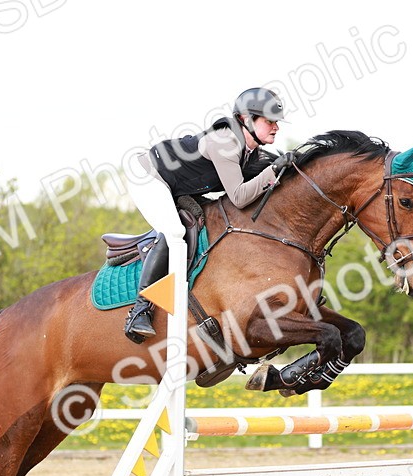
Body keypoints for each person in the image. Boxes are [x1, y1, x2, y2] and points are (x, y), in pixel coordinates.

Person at [122, 87, 297, 343]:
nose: (276, 128)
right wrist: (272, 172)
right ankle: (139, 310)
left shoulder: (250, 150)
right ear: (246, 120)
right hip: (147, 177)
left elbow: (266, 175)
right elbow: (238, 196)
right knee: (175, 232)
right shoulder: (225, 142)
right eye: (270, 121)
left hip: (178, 185)